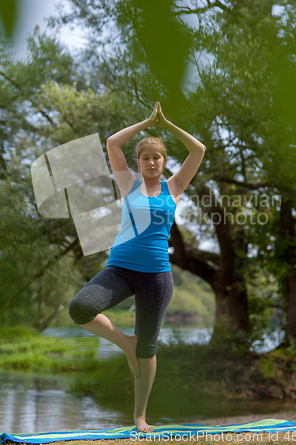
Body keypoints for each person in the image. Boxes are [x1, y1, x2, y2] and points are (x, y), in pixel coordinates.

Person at [69, 102, 206, 433]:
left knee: (148, 348)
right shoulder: (128, 184)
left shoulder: (173, 189)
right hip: (120, 269)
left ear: (164, 162)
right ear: (138, 162)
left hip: (157, 277)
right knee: (80, 307)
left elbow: (199, 149)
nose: (151, 162)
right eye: (145, 157)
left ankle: (140, 417)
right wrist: (146, 122)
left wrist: (167, 125)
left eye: (156, 157)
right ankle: (124, 343)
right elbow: (113, 143)